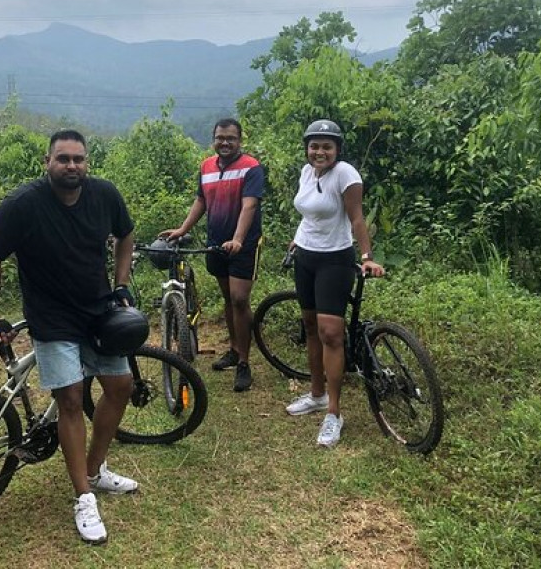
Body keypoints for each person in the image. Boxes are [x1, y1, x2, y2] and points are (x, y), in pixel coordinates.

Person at [0, 129, 139, 545]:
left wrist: (122, 285)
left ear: (87, 163)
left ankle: (95, 469)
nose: (72, 166)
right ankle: (83, 498)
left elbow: (126, 236)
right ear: (47, 162)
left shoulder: (105, 195)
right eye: (63, 159)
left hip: (99, 310)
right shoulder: (22, 205)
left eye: (78, 159)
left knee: (120, 388)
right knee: (70, 399)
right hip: (52, 318)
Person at [284, 119, 384, 448]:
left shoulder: (346, 174)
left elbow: (356, 217)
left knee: (330, 334)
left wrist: (367, 255)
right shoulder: (306, 172)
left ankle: (334, 412)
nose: (320, 151)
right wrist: (298, 241)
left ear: (337, 149)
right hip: (306, 256)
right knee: (310, 327)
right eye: (314, 146)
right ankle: (316, 393)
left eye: (327, 146)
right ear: (307, 148)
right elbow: (309, 212)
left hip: (334, 259)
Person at [161, 117, 264, 392]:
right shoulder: (206, 166)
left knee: (240, 299)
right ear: (214, 139)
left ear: (240, 140)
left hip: (244, 244)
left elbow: (250, 205)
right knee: (228, 299)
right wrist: (183, 229)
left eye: (231, 138)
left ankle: (244, 362)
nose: (225, 142)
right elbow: (201, 200)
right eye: (220, 137)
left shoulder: (251, 167)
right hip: (216, 242)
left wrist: (239, 239)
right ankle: (233, 349)